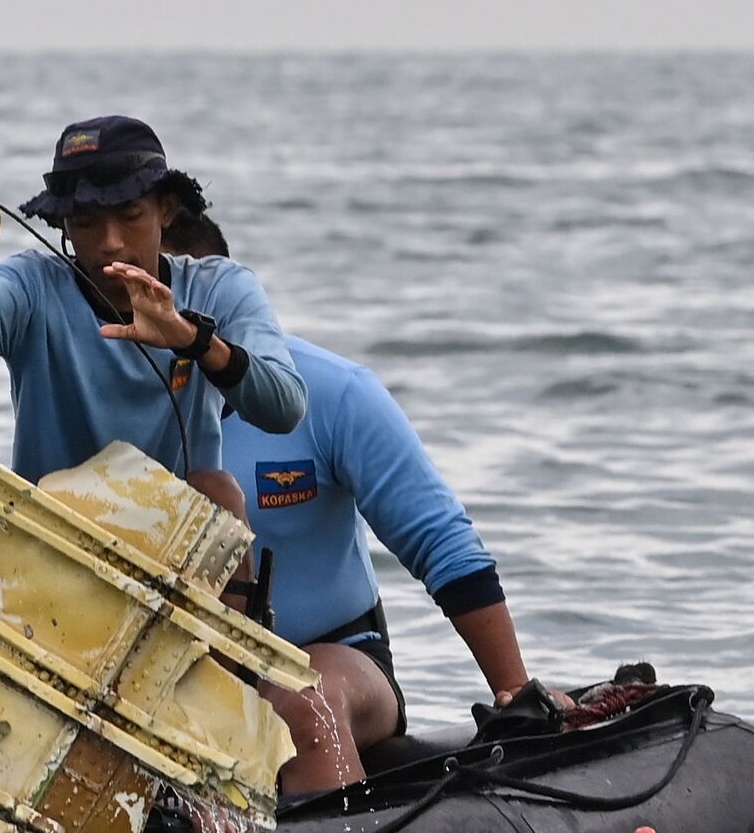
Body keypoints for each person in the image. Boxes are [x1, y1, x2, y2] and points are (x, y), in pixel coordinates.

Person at [162, 214, 556, 795]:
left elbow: (441, 542)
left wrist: (514, 691)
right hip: (167, 666)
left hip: (335, 658)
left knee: (298, 704)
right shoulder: (103, 407)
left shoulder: (334, 391)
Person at [0, 116, 305, 514]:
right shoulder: (35, 286)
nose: (110, 243)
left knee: (217, 490)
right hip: (52, 536)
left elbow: (285, 408)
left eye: (129, 216)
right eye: (85, 222)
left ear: (167, 210)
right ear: (62, 224)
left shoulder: (220, 287)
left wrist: (192, 339)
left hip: (179, 539)